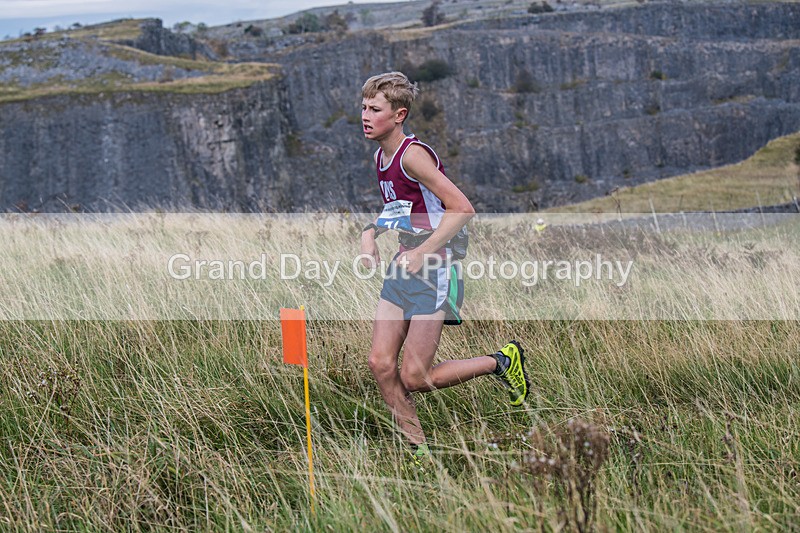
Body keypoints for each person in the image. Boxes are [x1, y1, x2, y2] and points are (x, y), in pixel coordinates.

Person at [358, 71, 529, 470]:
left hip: (434, 268)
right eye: (364, 107)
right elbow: (398, 209)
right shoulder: (380, 155)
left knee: (415, 377)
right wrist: (370, 236)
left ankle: (501, 362)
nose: (365, 116)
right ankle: (419, 452)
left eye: (375, 109)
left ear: (399, 115)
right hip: (403, 266)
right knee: (380, 365)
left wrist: (424, 252)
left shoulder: (413, 155)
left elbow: (463, 208)